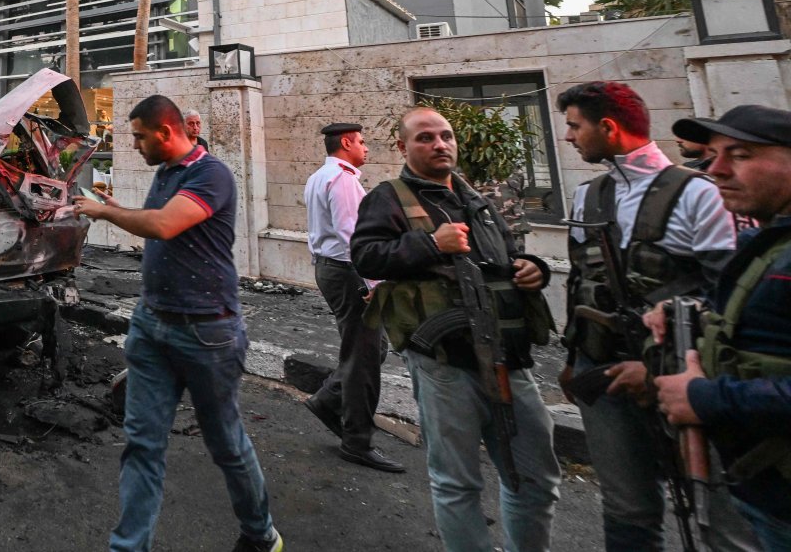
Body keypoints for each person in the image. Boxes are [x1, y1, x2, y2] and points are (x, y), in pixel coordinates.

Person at [73, 94, 282, 552]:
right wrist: (117, 203)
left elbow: (166, 225)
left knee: (226, 444)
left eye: (139, 136)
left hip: (207, 332)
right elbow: (156, 221)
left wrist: (107, 212)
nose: (135, 145)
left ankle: (259, 532)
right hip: (152, 326)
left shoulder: (212, 175)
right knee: (142, 444)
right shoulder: (167, 173)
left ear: (166, 132)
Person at [352, 107, 560, 552]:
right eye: (424, 138)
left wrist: (532, 269)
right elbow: (366, 256)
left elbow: (505, 255)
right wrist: (429, 243)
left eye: (445, 135)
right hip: (444, 365)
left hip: (509, 358)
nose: (439, 144)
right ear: (403, 147)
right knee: (457, 483)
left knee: (535, 478)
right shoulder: (389, 197)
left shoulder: (476, 199)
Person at [554, 81, 749, 552]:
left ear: (608, 127)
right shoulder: (588, 197)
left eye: (574, 126)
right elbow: (582, 283)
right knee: (627, 512)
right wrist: (574, 357)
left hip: (682, 382)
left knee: (719, 520)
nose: (568, 136)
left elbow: (727, 300)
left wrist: (659, 369)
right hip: (602, 375)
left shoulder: (700, 194)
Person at [650, 105, 791, 551]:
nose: (716, 169)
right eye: (713, 154)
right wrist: (689, 311)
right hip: (764, 497)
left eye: (742, 155)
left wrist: (703, 398)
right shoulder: (766, 242)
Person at [301, 122, 401, 473]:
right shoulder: (342, 179)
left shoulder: (320, 176)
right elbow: (351, 235)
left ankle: (329, 399)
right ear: (346, 142)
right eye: (361, 141)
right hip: (348, 272)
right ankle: (357, 440)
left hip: (333, 269)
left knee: (372, 349)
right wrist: (373, 282)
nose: (366, 147)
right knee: (365, 357)